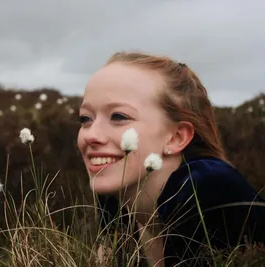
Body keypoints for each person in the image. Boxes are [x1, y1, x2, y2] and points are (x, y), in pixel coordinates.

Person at [77, 51, 265, 266]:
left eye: (119, 116)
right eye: (85, 118)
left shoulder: (205, 186)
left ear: (176, 137)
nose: (91, 134)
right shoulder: (114, 199)